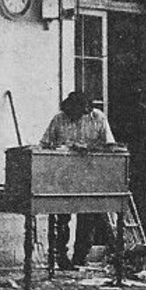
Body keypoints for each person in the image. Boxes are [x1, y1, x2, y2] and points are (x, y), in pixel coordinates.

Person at [40, 90, 119, 270]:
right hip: (63, 176)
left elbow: (110, 146)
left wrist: (89, 147)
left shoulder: (97, 118)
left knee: (88, 218)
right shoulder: (59, 119)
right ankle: (61, 257)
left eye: (80, 113)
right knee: (61, 218)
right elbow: (44, 145)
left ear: (87, 109)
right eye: (72, 114)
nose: (76, 117)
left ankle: (80, 256)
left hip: (89, 176)